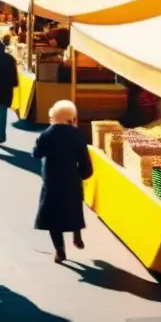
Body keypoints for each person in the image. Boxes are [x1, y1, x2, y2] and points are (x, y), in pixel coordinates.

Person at [33, 100, 93, 263]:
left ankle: (60, 250)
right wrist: (84, 174)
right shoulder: (77, 135)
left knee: (53, 216)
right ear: (71, 118)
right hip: (71, 178)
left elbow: (36, 154)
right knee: (73, 209)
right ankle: (77, 235)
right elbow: (85, 161)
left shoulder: (46, 134)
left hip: (51, 180)